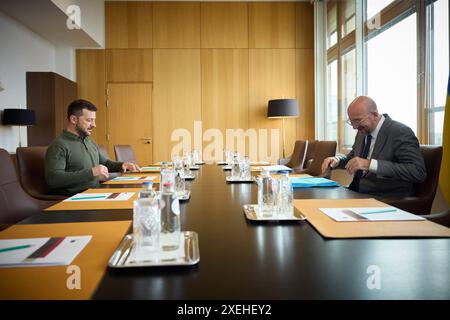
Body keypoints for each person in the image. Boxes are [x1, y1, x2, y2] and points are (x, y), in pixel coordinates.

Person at [321, 96, 426, 199]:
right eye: (351, 122)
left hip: (385, 199)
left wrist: (369, 164)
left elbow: (417, 171)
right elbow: (353, 158)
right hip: (356, 193)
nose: (354, 127)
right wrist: (337, 160)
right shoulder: (362, 131)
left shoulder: (400, 132)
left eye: (358, 120)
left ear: (375, 115)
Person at [45, 99, 139, 195]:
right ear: (73, 119)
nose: (94, 125)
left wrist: (121, 165)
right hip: (75, 199)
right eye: (89, 120)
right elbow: (53, 179)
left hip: (96, 193)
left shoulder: (89, 141)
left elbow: (104, 163)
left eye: (94, 120)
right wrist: (91, 173)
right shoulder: (59, 145)